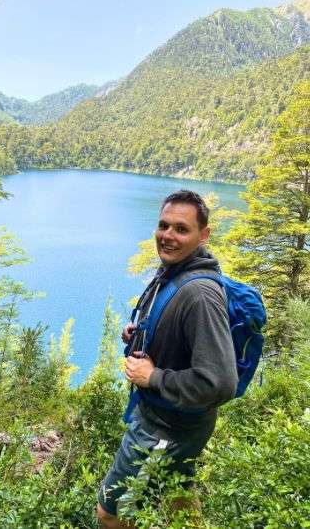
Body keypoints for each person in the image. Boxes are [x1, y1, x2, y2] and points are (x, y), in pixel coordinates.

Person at [96, 190, 238, 529]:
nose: (168, 236)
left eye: (181, 229)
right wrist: (142, 334)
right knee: (178, 494)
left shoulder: (200, 294)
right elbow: (178, 334)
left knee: (111, 513)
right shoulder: (175, 272)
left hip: (166, 427)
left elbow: (220, 382)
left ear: (203, 236)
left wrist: (153, 377)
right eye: (163, 225)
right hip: (175, 423)